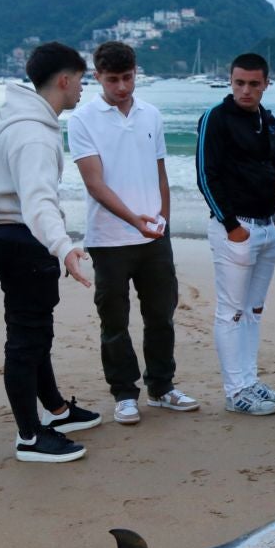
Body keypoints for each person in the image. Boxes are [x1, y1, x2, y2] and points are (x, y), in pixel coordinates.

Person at [0, 41, 103, 463]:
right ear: (63, 80)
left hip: (6, 236)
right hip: (25, 240)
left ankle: (57, 410)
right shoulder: (36, 135)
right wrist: (63, 246)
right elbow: (39, 202)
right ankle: (29, 437)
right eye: (81, 81)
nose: (83, 89)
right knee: (26, 340)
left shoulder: (14, 120)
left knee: (34, 333)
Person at [68, 42, 197, 426]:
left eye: (128, 78)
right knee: (114, 321)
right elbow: (94, 183)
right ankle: (124, 394)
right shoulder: (82, 119)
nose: (122, 87)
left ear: (136, 72)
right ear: (97, 77)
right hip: (108, 239)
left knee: (161, 315)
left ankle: (161, 387)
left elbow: (160, 174)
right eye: (113, 80)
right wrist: (133, 220)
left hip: (154, 237)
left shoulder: (151, 114)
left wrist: (163, 222)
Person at [195, 53, 275, 416]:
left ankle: (250, 381)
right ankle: (236, 391)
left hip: (268, 227)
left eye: (253, 84)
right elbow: (205, 175)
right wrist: (231, 225)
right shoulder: (215, 118)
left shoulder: (268, 120)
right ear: (230, 81)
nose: (245, 90)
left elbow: (272, 167)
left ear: (266, 84)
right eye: (239, 83)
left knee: (253, 311)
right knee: (231, 312)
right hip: (236, 229)